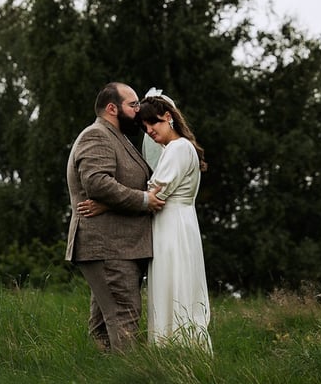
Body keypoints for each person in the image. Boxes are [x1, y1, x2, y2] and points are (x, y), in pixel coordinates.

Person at [80, 89, 212, 351]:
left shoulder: (176, 149)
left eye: (154, 123)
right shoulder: (182, 148)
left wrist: (105, 204)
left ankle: (173, 351)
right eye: (144, 126)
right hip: (181, 224)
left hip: (171, 227)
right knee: (177, 289)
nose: (149, 130)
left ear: (169, 117)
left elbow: (156, 194)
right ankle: (181, 352)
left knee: (171, 288)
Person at [66, 82, 165, 353]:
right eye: (133, 105)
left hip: (118, 246)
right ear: (112, 108)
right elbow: (98, 183)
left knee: (103, 329)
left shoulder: (116, 136)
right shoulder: (96, 136)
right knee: (125, 319)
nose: (139, 110)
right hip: (108, 246)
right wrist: (145, 200)